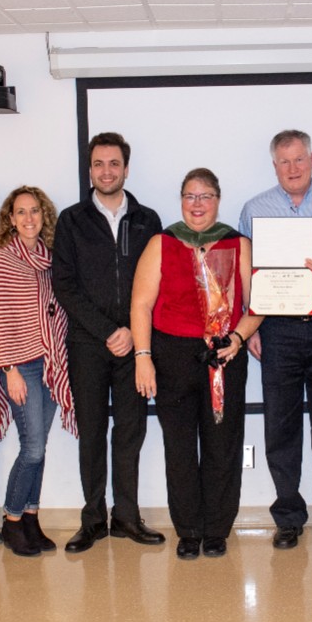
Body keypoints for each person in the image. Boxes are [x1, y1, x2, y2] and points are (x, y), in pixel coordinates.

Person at [130, 168, 264, 560]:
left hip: (224, 355)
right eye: (190, 196)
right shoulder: (163, 242)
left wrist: (238, 338)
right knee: (180, 447)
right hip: (172, 358)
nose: (197, 204)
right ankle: (188, 529)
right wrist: (143, 357)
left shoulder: (238, 244)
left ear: (218, 200)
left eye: (205, 196)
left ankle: (217, 529)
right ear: (181, 201)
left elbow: (258, 304)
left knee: (223, 446)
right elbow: (140, 304)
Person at [238, 129, 312, 551]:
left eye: (299, 159)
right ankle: (288, 517)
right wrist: (251, 327)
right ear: (274, 166)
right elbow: (246, 274)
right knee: (281, 429)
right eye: (284, 161)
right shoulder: (254, 209)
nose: (292, 168)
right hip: (277, 330)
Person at [52, 132, 166, 552]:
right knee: (92, 431)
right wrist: (107, 331)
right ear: (90, 170)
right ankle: (93, 519)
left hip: (137, 346)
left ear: (126, 169)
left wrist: (133, 334)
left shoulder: (147, 220)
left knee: (131, 431)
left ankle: (127, 516)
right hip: (88, 344)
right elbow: (64, 284)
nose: (106, 171)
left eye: (114, 163)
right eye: (98, 164)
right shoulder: (71, 220)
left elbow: (158, 282)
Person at [0, 186, 77, 557]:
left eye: (35, 211)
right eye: (21, 212)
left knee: (39, 447)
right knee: (31, 448)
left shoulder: (50, 260)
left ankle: (31, 518)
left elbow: (56, 312)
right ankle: (12, 519)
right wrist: (10, 369)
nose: (29, 218)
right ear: (11, 219)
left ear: (44, 216)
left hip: (50, 363)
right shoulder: (2, 261)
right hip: (20, 366)